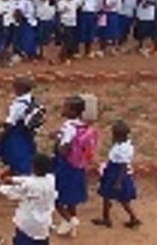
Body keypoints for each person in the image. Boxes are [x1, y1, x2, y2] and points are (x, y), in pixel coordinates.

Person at [52, 95, 96, 237]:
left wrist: (57, 141)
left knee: (55, 197)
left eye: (66, 107)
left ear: (72, 111)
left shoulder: (68, 127)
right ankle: (72, 226)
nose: (63, 108)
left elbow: (64, 151)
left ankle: (70, 220)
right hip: (78, 166)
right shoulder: (82, 126)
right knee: (71, 197)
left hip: (65, 166)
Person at [0, 153, 57, 245]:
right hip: (43, 226)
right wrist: (13, 179)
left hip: (27, 225)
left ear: (33, 167)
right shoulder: (51, 179)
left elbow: (12, 193)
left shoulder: (29, 185)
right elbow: (29, 179)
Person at [91, 121, 140, 229]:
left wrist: (118, 181)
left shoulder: (122, 148)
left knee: (107, 195)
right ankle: (133, 218)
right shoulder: (125, 144)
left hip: (116, 173)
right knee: (121, 199)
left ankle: (107, 219)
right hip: (115, 171)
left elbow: (122, 165)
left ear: (118, 135)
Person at [0, 77, 43, 175]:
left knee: (15, 153)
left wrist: (1, 136)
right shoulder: (32, 100)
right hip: (27, 132)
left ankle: (21, 175)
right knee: (27, 153)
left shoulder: (18, 104)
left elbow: (10, 123)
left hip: (16, 133)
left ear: (19, 89)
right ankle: (24, 172)